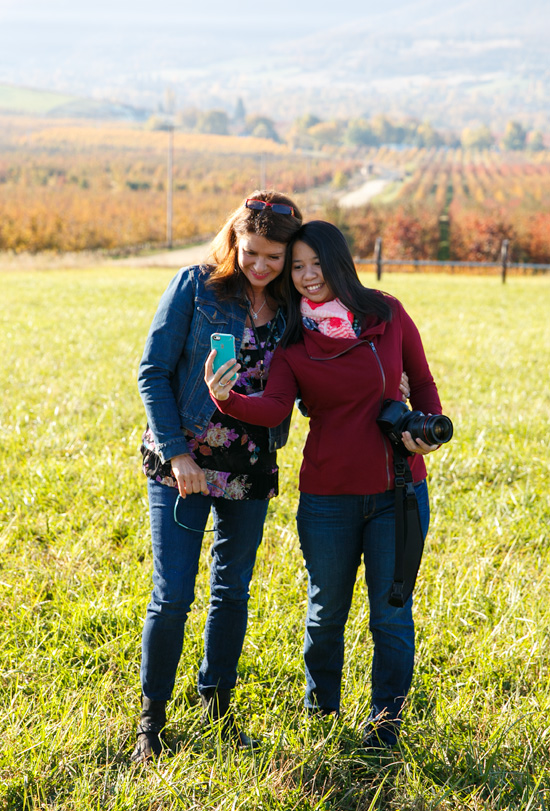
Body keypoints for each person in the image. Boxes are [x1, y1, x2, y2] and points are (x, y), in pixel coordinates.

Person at [205, 220, 443, 751]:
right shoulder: (294, 343)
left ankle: (386, 729)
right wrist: (228, 398)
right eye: (298, 267)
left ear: (341, 262)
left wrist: (429, 429)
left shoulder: (387, 313)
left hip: (399, 491)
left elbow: (422, 382)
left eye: (317, 264)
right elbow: (272, 409)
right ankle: (322, 714)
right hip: (327, 499)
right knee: (325, 610)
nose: (308, 276)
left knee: (392, 615)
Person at [132, 191, 304, 763]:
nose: (260, 265)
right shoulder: (196, 285)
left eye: (274, 257)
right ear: (235, 239)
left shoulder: (290, 309)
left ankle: (217, 707)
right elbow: (153, 370)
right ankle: (151, 722)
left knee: (232, 593)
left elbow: (321, 371)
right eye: (252, 251)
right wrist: (178, 454)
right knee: (173, 594)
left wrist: (390, 390)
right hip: (182, 462)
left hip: (250, 464)